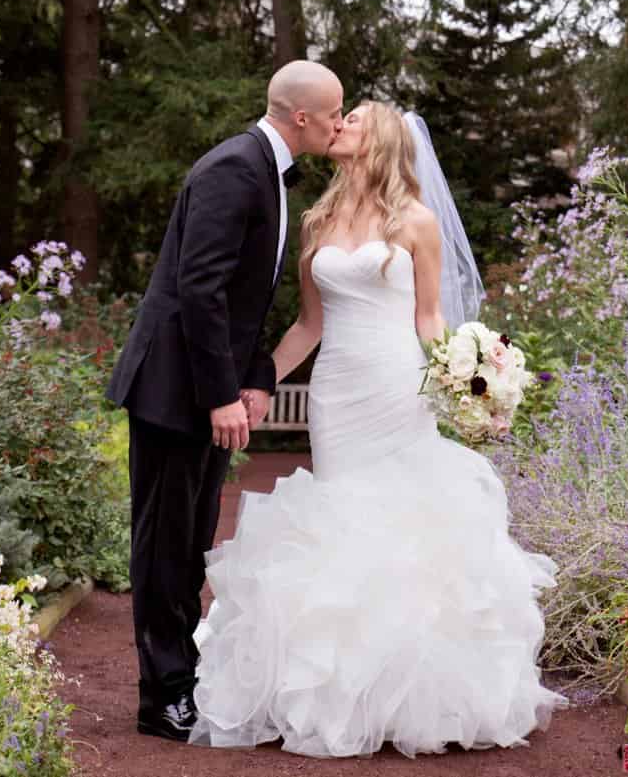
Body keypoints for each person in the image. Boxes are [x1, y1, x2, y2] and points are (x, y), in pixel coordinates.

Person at [190, 101, 566, 759]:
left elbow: (428, 319)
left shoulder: (416, 222)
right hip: (337, 390)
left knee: (406, 519)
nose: (341, 124)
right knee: (343, 516)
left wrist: (469, 381)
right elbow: (308, 325)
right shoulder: (317, 221)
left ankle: (418, 696)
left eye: (355, 117)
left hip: (398, 385)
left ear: (384, 139)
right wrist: (257, 385)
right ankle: (338, 693)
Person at [106, 61, 344, 742]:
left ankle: (181, 676)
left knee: (190, 539)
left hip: (202, 391)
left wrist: (254, 379)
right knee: (163, 545)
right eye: (332, 112)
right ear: (301, 118)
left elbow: (241, 304)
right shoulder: (234, 168)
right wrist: (218, 397)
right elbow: (199, 288)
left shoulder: (264, 174)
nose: (337, 122)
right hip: (172, 393)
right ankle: (163, 697)